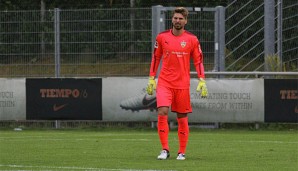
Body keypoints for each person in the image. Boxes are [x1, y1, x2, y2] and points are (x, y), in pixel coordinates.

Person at [146, 7, 208, 160]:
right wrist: (152, 77)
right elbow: (156, 57)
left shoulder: (192, 39)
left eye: (181, 18)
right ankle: (165, 150)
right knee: (162, 112)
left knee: (182, 117)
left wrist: (202, 79)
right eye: (175, 18)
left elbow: (198, 60)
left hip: (182, 84)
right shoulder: (162, 37)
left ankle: (181, 152)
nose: (177, 21)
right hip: (165, 82)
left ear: (185, 21)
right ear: (172, 19)